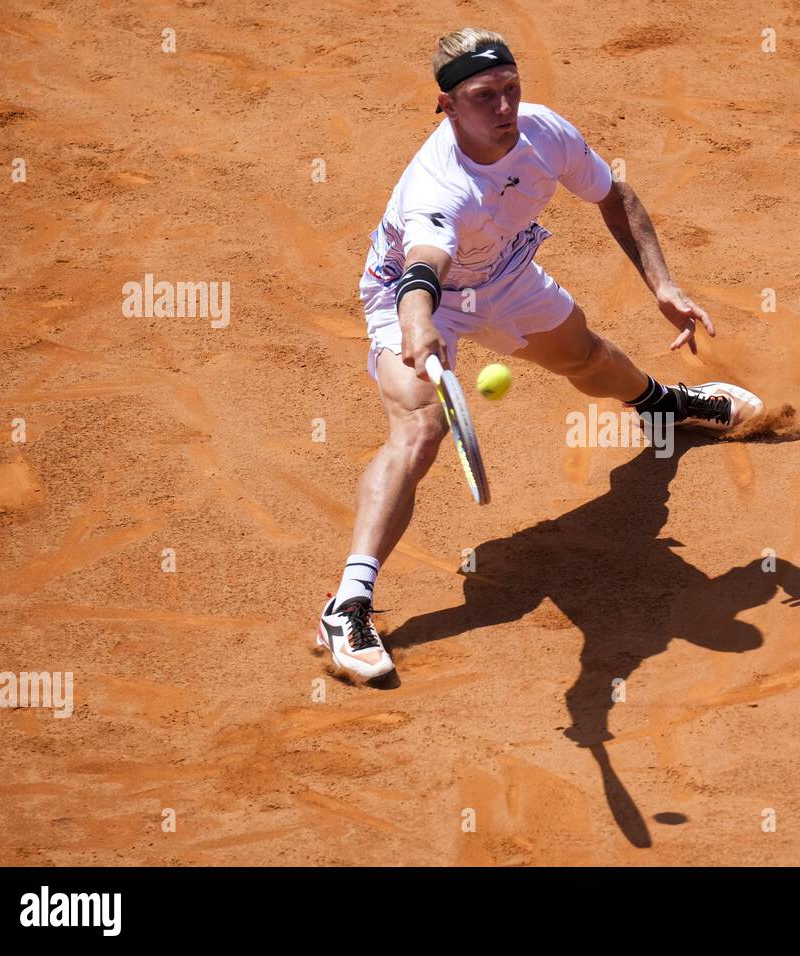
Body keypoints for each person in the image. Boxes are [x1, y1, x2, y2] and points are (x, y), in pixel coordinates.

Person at [316, 27, 765, 681]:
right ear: (445, 105)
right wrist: (418, 326)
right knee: (420, 429)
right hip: (415, 299)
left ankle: (663, 406)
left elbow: (616, 198)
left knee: (584, 357)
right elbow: (421, 268)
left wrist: (664, 287)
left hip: (500, 274)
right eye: (482, 96)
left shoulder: (542, 133)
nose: (503, 109)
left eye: (510, 89)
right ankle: (348, 604)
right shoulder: (440, 188)